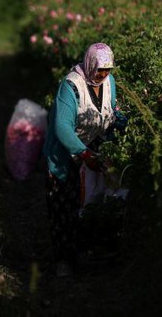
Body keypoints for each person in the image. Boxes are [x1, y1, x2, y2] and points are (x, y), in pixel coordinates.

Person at [43, 42, 128, 277]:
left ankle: (90, 251)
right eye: (99, 69)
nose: (103, 74)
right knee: (62, 204)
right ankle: (64, 260)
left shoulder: (108, 82)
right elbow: (62, 127)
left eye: (107, 70)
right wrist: (84, 154)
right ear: (89, 64)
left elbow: (109, 110)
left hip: (91, 145)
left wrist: (118, 120)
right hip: (63, 152)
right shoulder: (70, 86)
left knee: (91, 200)